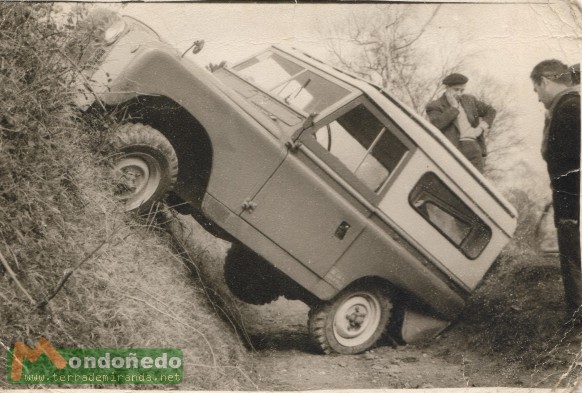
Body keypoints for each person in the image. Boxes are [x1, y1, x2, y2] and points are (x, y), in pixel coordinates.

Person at [530, 59, 581, 322]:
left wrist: (569, 208)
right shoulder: (567, 106)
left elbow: (568, 160)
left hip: (571, 201)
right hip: (569, 200)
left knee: (572, 259)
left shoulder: (569, 108)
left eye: (536, 90)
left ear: (545, 81)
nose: (538, 98)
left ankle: (576, 321)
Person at [426, 73, 496, 172]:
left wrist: (481, 128)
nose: (459, 93)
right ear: (447, 88)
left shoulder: (469, 100)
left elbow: (491, 111)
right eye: (456, 89)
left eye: (462, 90)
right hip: (454, 150)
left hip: (474, 147)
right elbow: (437, 124)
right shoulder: (435, 106)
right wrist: (454, 108)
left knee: (476, 183)